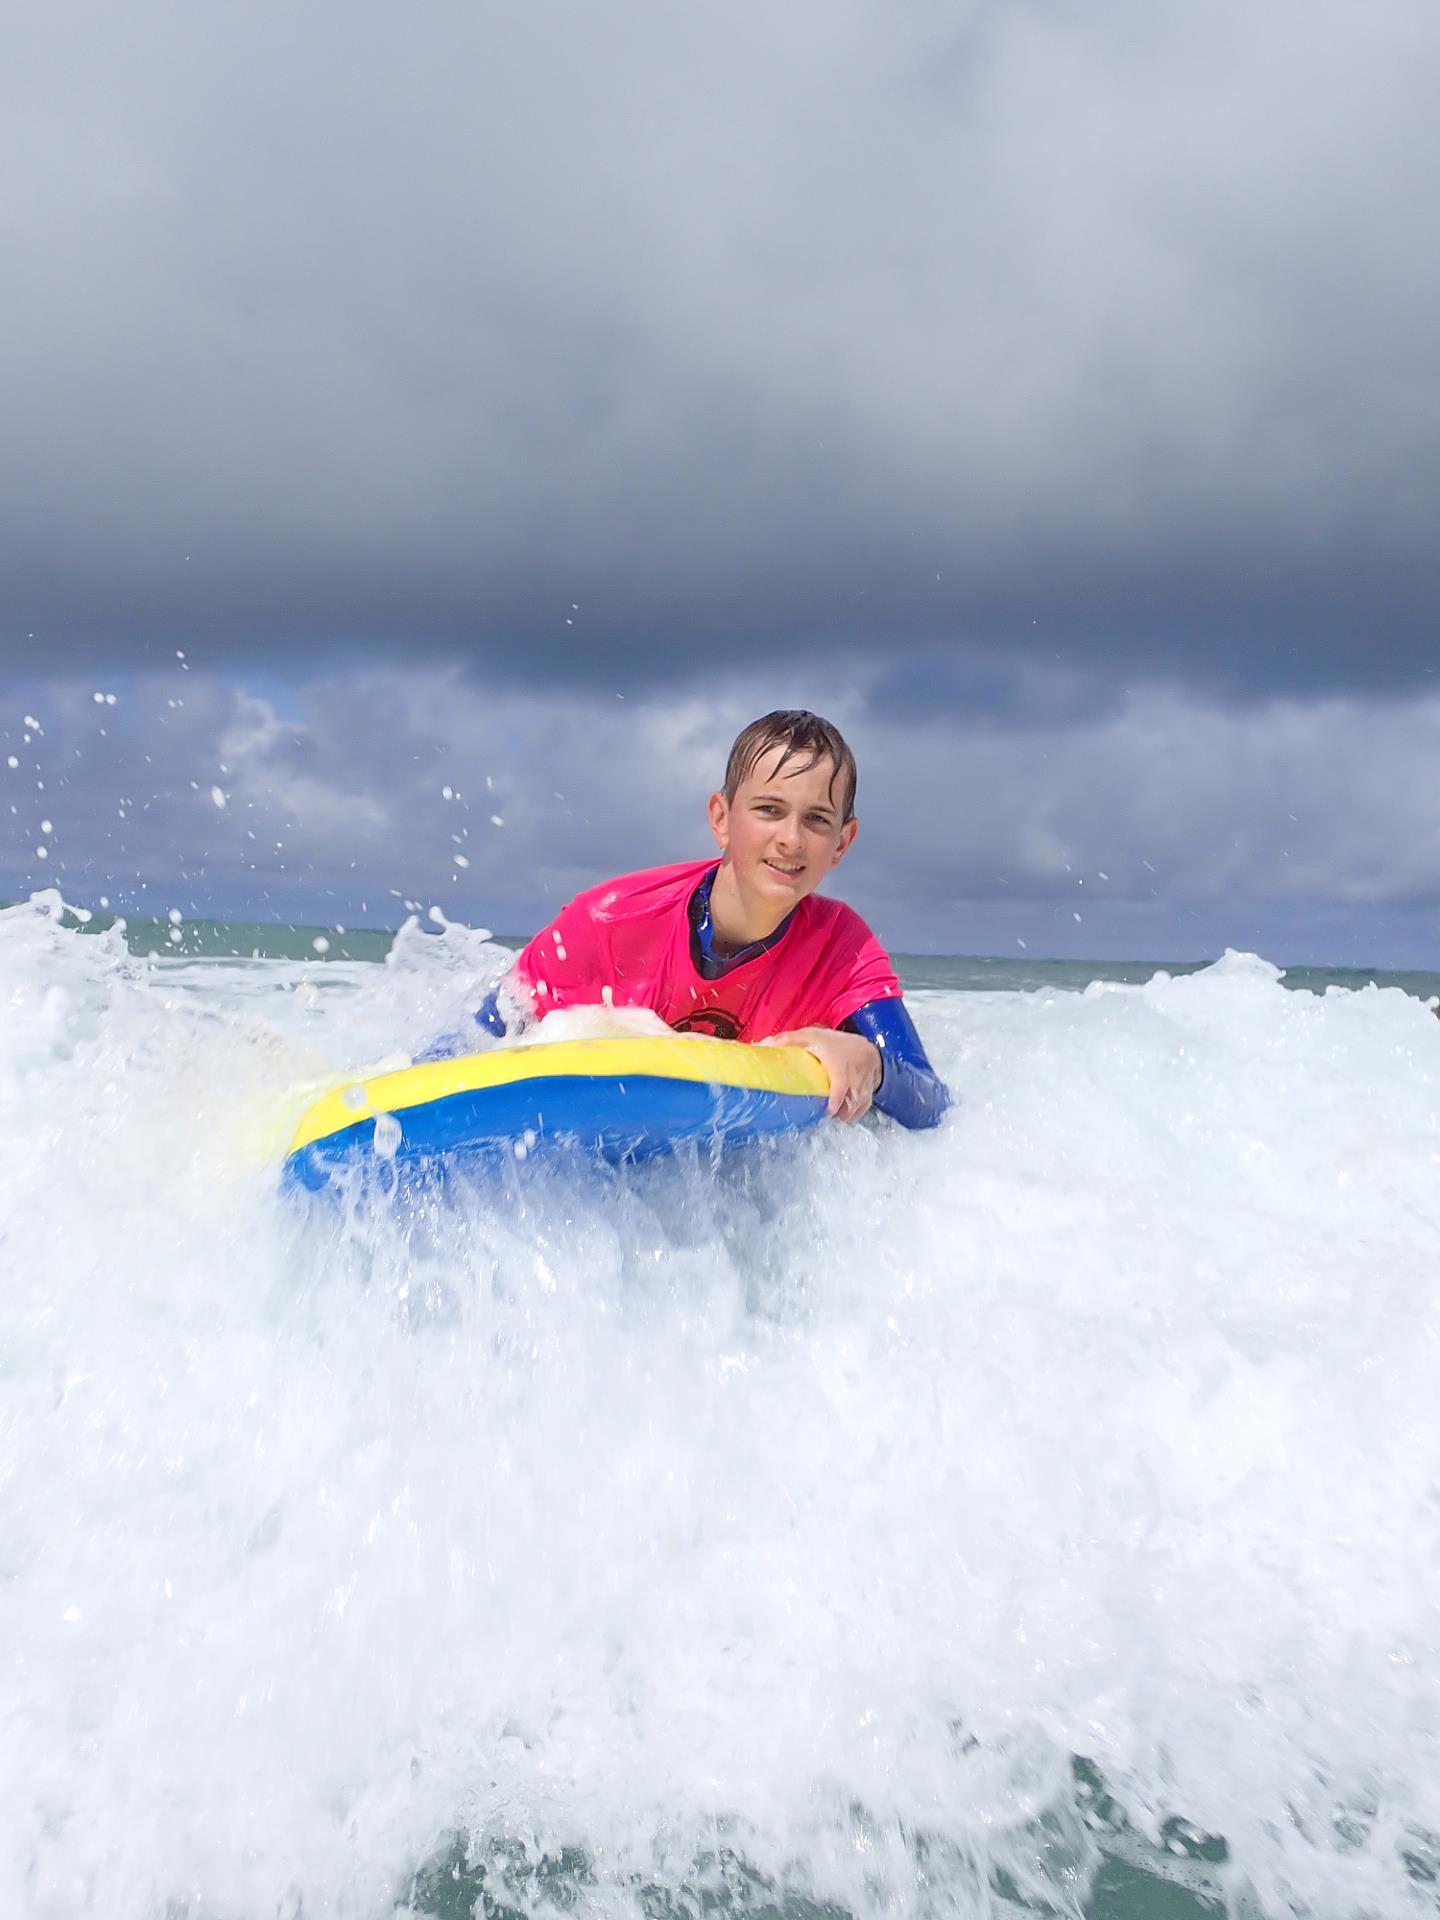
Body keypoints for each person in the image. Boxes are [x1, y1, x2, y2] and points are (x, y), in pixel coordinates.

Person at [476, 710, 949, 1128]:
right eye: (769, 810)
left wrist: (872, 1064)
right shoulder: (610, 922)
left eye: (817, 820)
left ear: (842, 843)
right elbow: (472, 1047)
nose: (791, 838)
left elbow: (931, 1105)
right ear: (721, 818)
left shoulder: (842, 951)